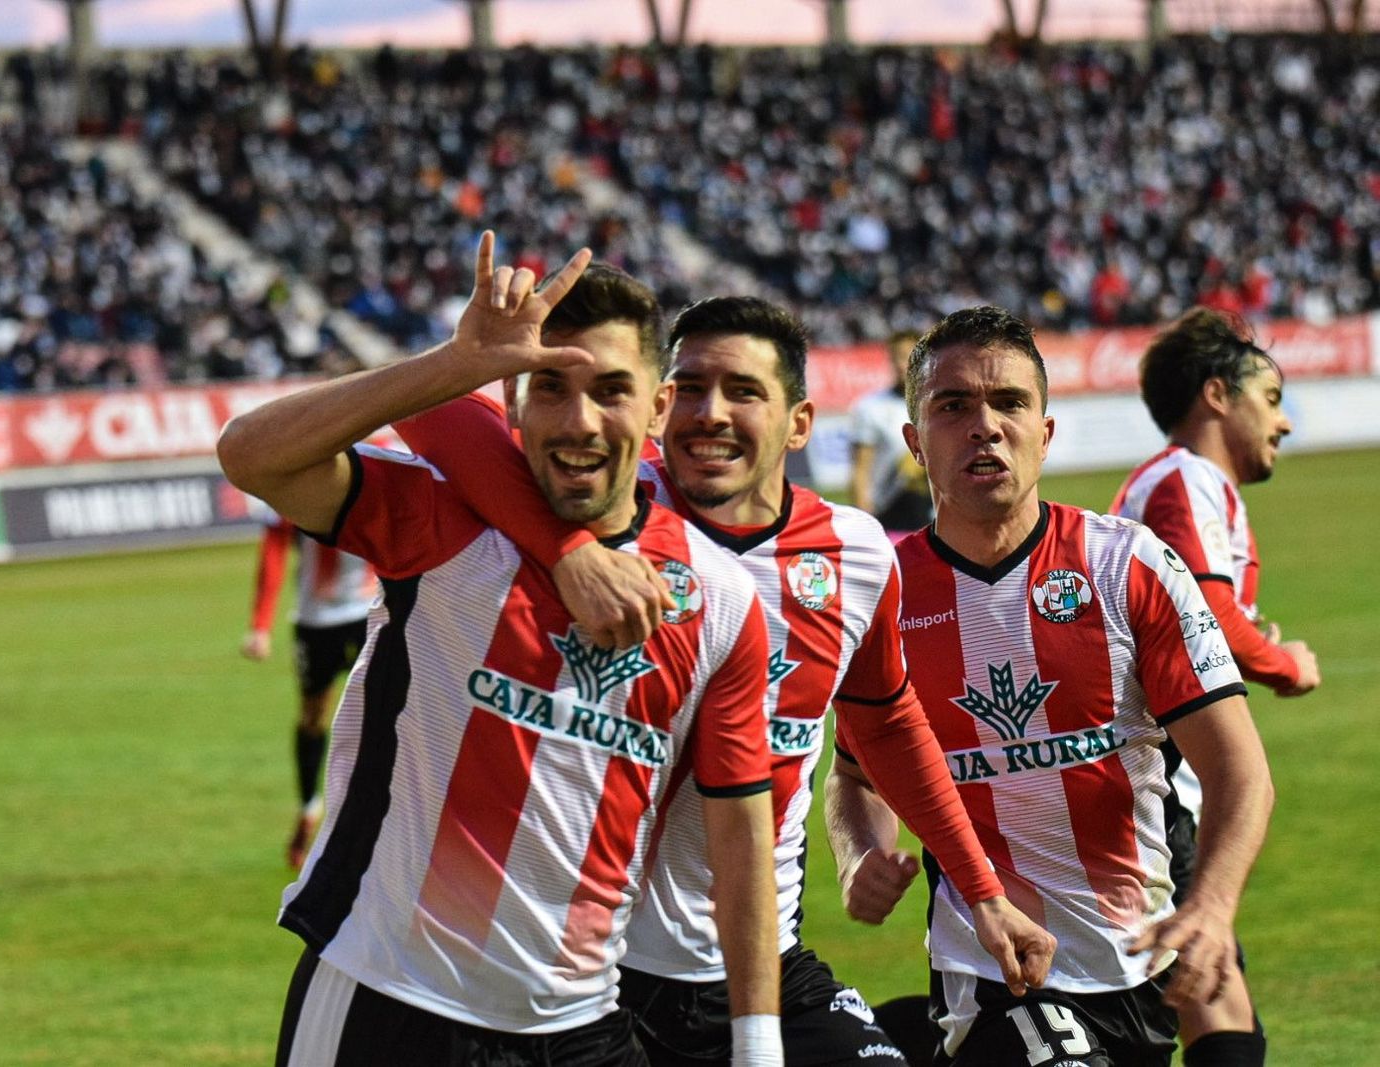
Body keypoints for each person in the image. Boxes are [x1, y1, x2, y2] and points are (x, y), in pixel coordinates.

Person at [392, 292, 1056, 1066]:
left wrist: (982, 893)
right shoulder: (606, 506)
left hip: (758, 964)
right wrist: (568, 550)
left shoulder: (857, 555)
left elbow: (886, 723)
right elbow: (438, 419)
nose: (711, 413)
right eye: (693, 387)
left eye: (744, 391)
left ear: (799, 423)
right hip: (593, 976)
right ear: (659, 405)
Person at [216, 233, 784, 1067]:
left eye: (613, 391)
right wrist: (457, 362)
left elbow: (741, 833)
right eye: (550, 388)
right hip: (389, 1000)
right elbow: (250, 454)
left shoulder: (724, 603)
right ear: (510, 402)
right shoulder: (446, 526)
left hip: (585, 1024)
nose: (581, 421)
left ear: (659, 408)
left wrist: (758, 1042)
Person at [824, 306, 1275, 1067]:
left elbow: (1240, 770)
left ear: (1046, 431)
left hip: (1139, 957)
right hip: (996, 970)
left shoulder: (1128, 566)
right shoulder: (884, 600)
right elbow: (856, 773)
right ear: (914, 441)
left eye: (1009, 403)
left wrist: (1212, 904)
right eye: (953, 406)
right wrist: (858, 852)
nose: (985, 426)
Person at [1110, 307, 1320, 1064]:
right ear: (1217, 395)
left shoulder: (1181, 482)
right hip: (1152, 783)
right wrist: (1285, 661)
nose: (1285, 421)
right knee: (1206, 986)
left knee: (1204, 980)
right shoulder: (1185, 478)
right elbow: (1211, 616)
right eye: (1271, 395)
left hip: (1153, 782)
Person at [240, 503, 377, 869]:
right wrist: (260, 625)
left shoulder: (384, 452)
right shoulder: (298, 467)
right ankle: (308, 808)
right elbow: (274, 545)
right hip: (316, 620)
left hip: (372, 613)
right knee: (313, 716)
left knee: (383, 714)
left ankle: (375, 819)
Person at [848, 329, 933, 537]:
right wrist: (864, 521)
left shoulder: (939, 405)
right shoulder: (870, 408)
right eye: (896, 357)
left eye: (907, 356)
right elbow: (861, 470)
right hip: (887, 514)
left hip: (933, 517)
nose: (900, 364)